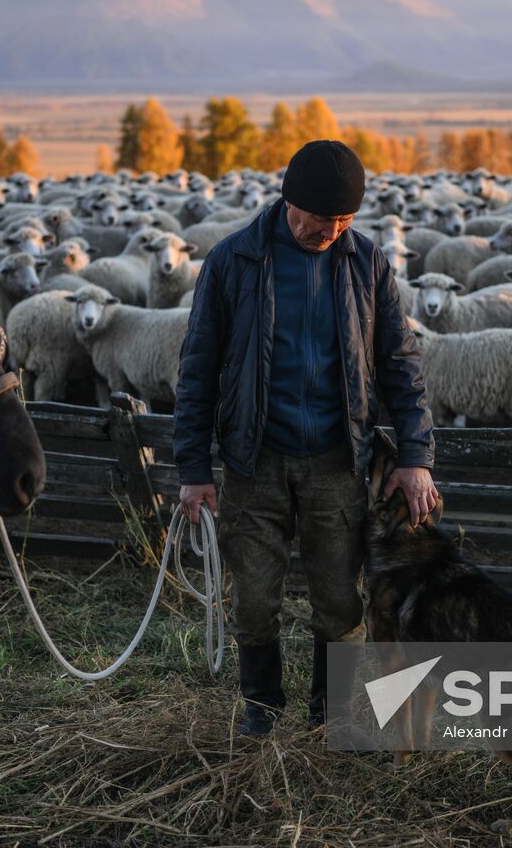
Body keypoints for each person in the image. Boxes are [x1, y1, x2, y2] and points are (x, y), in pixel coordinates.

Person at [172, 140, 437, 736]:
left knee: (339, 601)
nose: (332, 229)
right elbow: (197, 368)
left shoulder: (365, 262)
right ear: (290, 199)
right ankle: (262, 710)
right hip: (253, 460)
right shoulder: (233, 260)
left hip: (336, 461)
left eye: (345, 218)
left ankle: (332, 715)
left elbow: (401, 362)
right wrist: (193, 470)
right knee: (254, 599)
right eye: (322, 217)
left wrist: (415, 456)